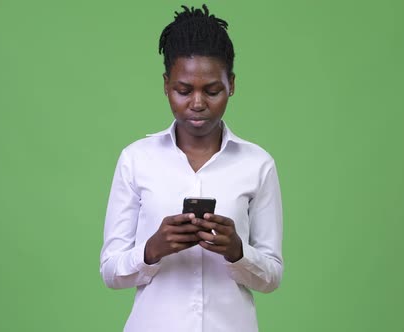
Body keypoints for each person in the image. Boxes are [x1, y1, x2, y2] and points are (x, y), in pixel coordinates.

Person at [100, 4, 283, 332]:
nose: (197, 102)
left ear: (232, 85)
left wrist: (238, 252)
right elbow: (110, 271)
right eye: (184, 90)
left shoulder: (258, 164)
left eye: (212, 90)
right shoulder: (136, 160)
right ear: (166, 85)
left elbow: (271, 277)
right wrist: (152, 249)